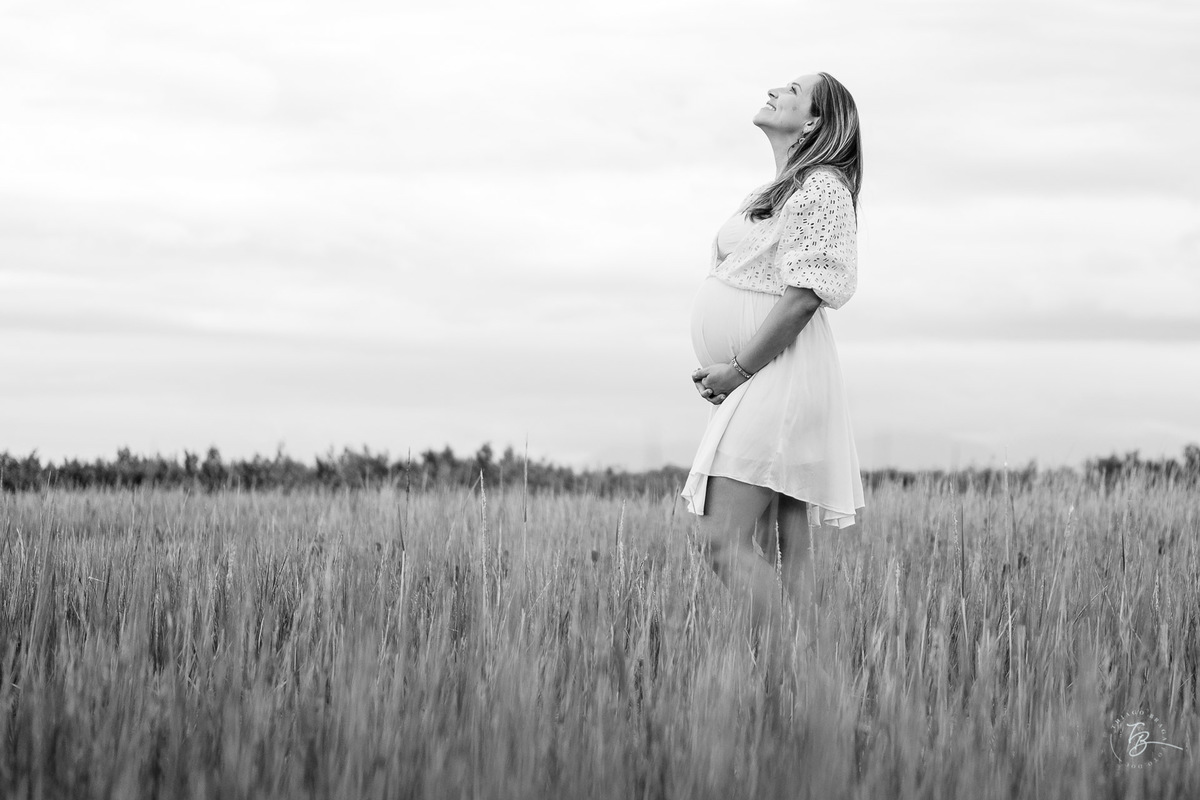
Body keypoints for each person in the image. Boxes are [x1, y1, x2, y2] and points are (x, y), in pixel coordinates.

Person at [681, 72, 866, 663]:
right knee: (785, 544)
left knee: (721, 541)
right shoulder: (777, 189)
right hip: (763, 374)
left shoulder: (823, 188)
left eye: (792, 88)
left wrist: (735, 369)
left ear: (814, 121)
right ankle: (799, 691)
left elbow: (804, 295)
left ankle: (794, 669)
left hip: (778, 373)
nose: (774, 88)